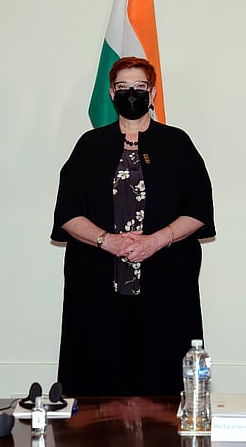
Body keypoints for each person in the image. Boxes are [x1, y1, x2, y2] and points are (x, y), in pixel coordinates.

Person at [51, 56, 215, 396]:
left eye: (139, 87)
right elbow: (67, 212)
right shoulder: (89, 145)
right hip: (98, 288)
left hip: (165, 287)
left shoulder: (177, 144)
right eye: (123, 87)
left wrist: (156, 241)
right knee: (98, 387)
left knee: (163, 389)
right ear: (112, 93)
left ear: (152, 93)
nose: (131, 94)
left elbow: (199, 209)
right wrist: (106, 240)